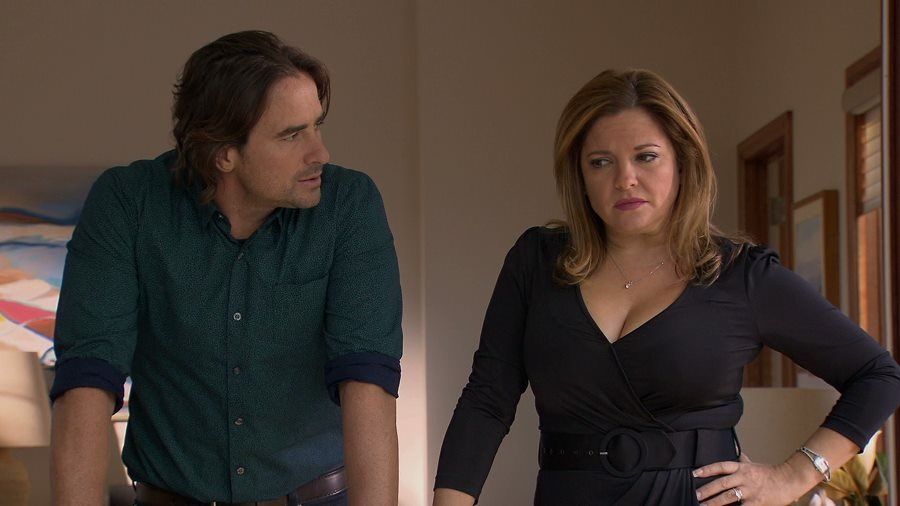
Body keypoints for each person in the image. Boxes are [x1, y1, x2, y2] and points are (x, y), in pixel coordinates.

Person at [432, 69, 900, 505]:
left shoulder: (741, 275)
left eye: (646, 156)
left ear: (683, 161)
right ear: (580, 176)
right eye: (601, 162)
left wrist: (794, 475)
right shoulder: (536, 262)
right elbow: (486, 400)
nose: (625, 179)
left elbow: (878, 376)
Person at [50, 30, 402, 506]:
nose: (320, 153)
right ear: (224, 154)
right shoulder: (128, 205)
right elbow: (86, 379)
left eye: (317, 126)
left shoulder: (349, 206)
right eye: (292, 135)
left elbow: (368, 380)